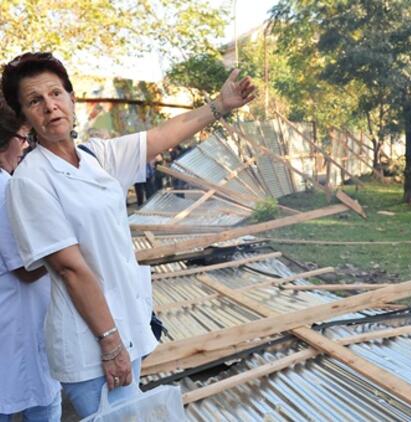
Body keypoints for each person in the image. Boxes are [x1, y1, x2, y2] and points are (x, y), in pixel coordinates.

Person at [1, 52, 255, 418]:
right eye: (35, 101)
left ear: (72, 99)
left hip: (125, 328)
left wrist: (219, 105)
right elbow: (71, 270)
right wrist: (111, 345)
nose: (50, 107)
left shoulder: (95, 156)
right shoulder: (31, 180)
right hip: (92, 343)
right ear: (24, 117)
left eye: (56, 94)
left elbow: (157, 137)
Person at [0, 103, 61, 421]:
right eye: (23, 138)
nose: (25, 146)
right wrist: (63, 256)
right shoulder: (7, 189)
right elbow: (24, 268)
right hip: (18, 324)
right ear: (6, 141)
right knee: (43, 403)